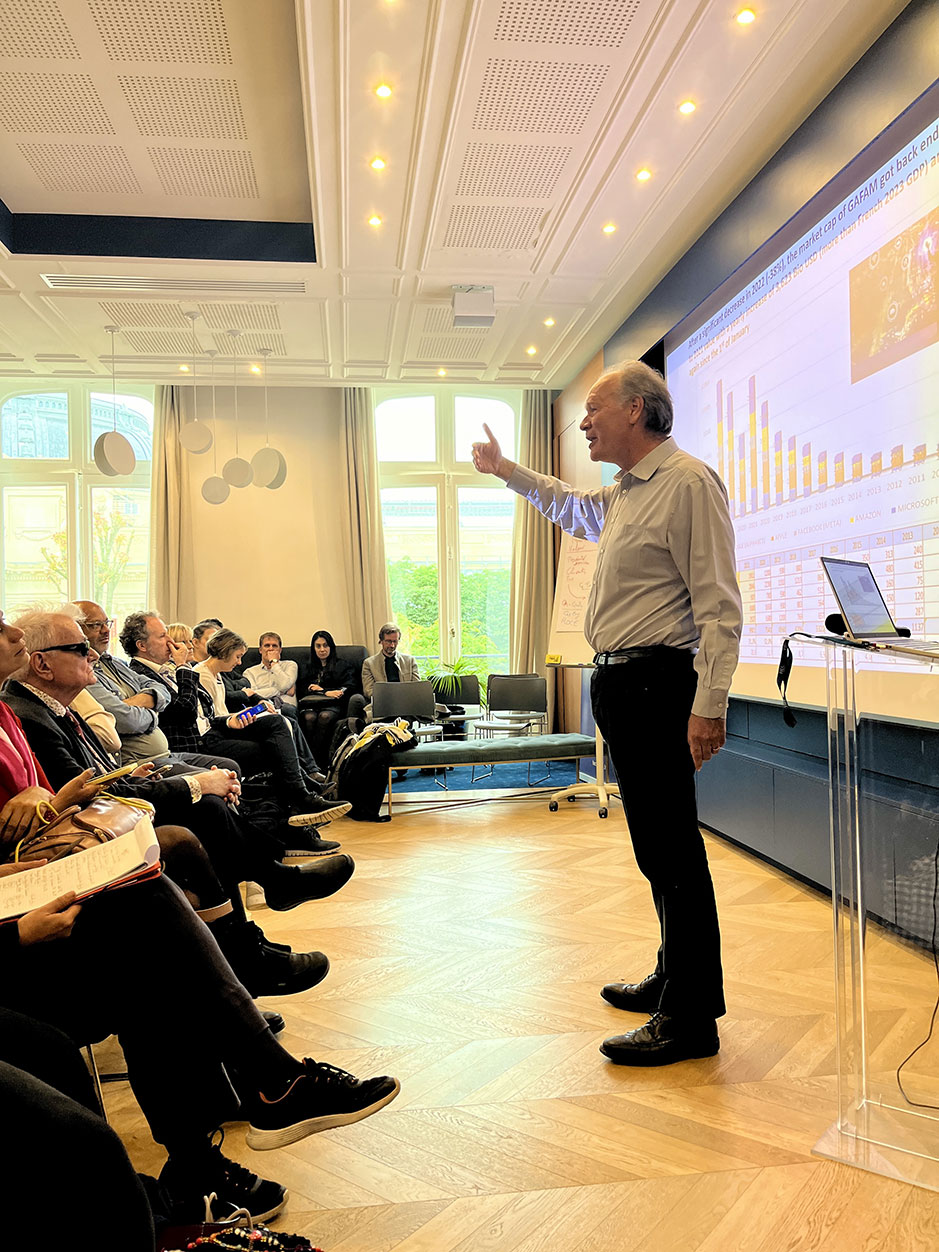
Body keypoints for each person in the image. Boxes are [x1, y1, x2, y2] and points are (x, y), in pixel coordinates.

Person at [0, 609, 401, 1222]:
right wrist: (21, 915)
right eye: (77, 642)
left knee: (155, 914)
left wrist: (50, 804)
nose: (14, 640)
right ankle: (262, 1074)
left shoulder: (8, 714)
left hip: (37, 889)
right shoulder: (23, 709)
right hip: (19, 929)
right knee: (157, 905)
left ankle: (212, 1146)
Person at [472, 360, 742, 1066]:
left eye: (593, 408)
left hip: (660, 684)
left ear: (636, 409)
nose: (583, 421)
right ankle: (670, 973)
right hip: (623, 686)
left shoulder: (687, 483)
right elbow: (566, 504)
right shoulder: (624, 492)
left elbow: (719, 605)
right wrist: (507, 470)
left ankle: (690, 1018)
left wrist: (708, 705)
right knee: (655, 849)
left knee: (673, 851)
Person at [121, 612, 347, 828]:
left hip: (209, 730)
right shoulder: (163, 672)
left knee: (278, 723)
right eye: (163, 636)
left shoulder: (167, 672)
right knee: (273, 744)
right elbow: (187, 712)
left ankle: (300, 801)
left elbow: (204, 713)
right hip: (193, 743)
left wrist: (230, 720)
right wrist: (182, 668)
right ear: (142, 646)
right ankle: (298, 804)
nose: (172, 641)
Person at [299, 629, 365, 768]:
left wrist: (324, 691)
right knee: (309, 718)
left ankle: (320, 762)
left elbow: (350, 687)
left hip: (333, 706)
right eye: (318, 646)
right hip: (310, 705)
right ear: (314, 648)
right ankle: (313, 762)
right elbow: (301, 688)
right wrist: (320, 691)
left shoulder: (343, 665)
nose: (322, 649)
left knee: (324, 716)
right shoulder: (307, 667)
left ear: (331, 647)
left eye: (325, 645)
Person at [361, 623, 421, 721]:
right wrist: (390, 698)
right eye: (388, 641)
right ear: (381, 641)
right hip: (383, 704)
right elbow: (369, 691)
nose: (392, 645)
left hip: (406, 704)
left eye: (395, 641)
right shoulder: (369, 663)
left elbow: (416, 687)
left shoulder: (409, 661)